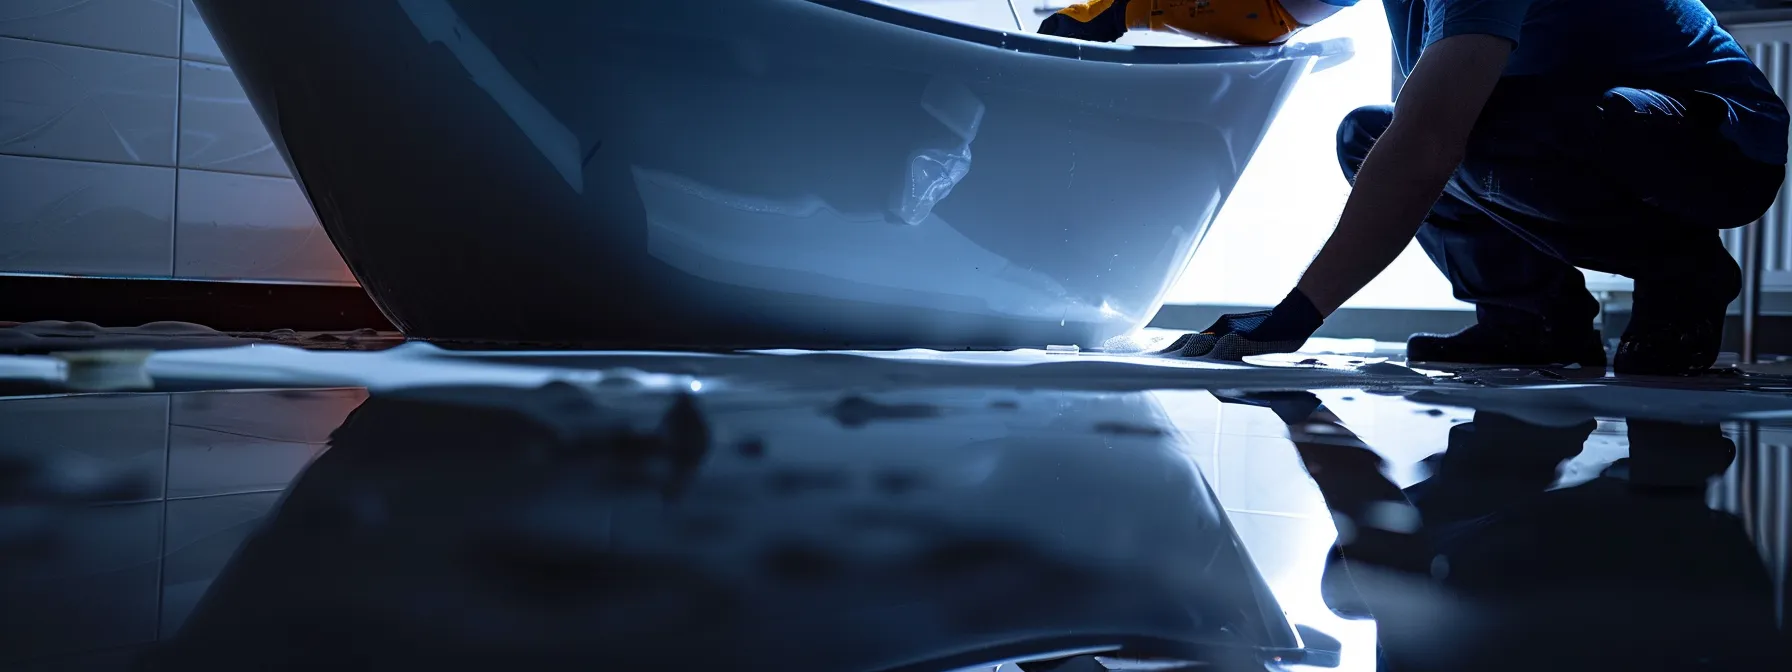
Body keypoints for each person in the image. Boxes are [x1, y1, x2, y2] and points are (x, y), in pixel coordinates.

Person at [1041, 0, 1790, 375]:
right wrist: (1138, 6)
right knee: (1370, 136)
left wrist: (1295, 315)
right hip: (1578, 127)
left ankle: (1682, 273)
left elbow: (1431, 142)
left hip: (1712, 147)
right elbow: (1267, 10)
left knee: (1455, 131)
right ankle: (1531, 321)